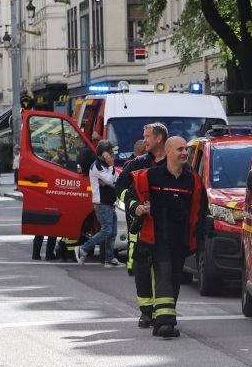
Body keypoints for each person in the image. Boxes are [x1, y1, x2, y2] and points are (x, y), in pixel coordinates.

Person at [125, 136, 212, 339]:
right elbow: (130, 195)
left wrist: (207, 223)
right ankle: (166, 323)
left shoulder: (192, 180)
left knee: (174, 277)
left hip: (180, 237)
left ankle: (160, 318)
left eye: (186, 150)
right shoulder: (151, 176)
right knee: (163, 273)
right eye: (180, 149)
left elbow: (201, 206)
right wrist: (134, 207)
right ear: (169, 152)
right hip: (157, 236)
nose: (184, 153)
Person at [116, 124, 169, 328]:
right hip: (140, 227)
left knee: (164, 271)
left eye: (147, 136)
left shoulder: (173, 163)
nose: (144, 140)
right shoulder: (137, 163)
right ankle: (146, 312)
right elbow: (119, 186)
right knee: (142, 271)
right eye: (144, 136)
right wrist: (133, 205)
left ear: (159, 138)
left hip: (164, 228)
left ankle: (162, 313)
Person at [76, 140, 121, 268]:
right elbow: (109, 179)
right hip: (101, 203)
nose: (112, 156)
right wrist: (111, 170)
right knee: (106, 230)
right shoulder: (97, 166)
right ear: (102, 154)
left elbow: (114, 181)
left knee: (113, 232)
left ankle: (109, 257)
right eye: (110, 153)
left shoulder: (106, 165)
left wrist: (110, 179)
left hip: (110, 201)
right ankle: (83, 248)